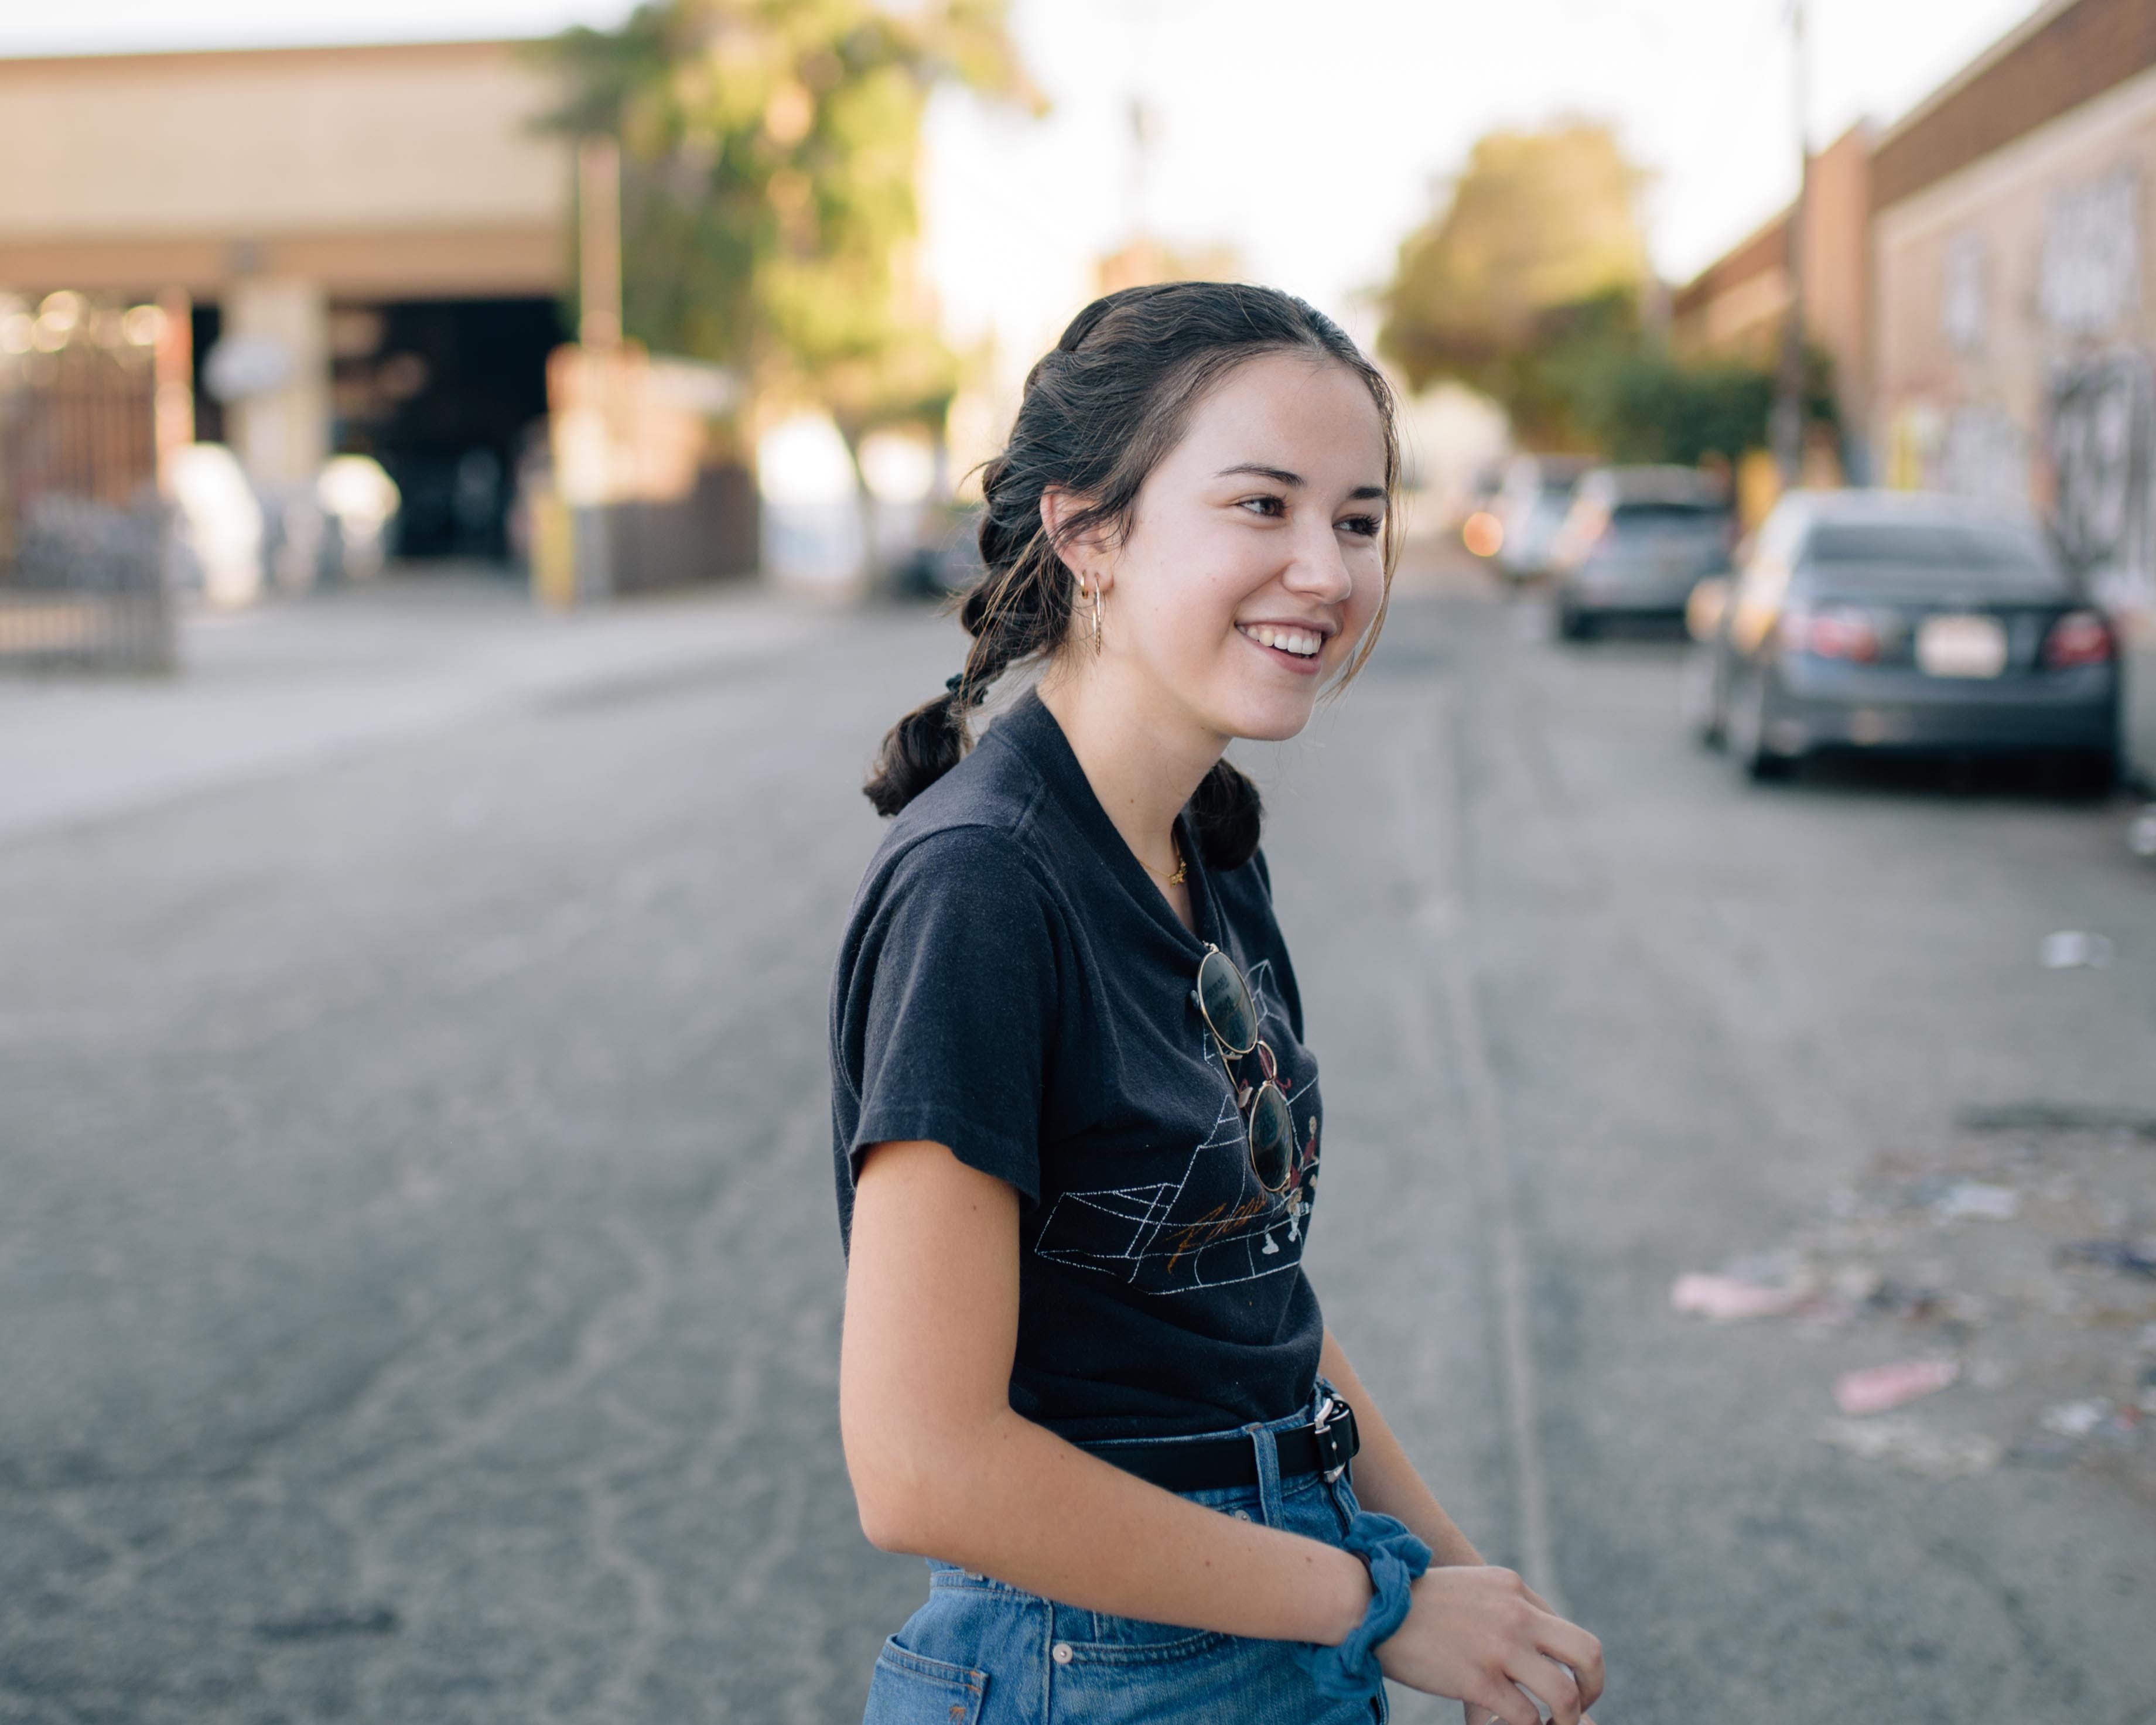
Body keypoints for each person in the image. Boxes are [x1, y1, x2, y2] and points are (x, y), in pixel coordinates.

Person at [830, 282, 1603, 1725]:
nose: (1324, 568)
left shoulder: (1205, 844)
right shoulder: (983, 889)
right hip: (1101, 1665)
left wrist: (1458, 1590)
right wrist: (1375, 1609)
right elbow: (918, 1463)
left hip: (1264, 1613)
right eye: (1261, 505)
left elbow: (1249, 1302)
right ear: (1088, 531)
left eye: (1359, 520)